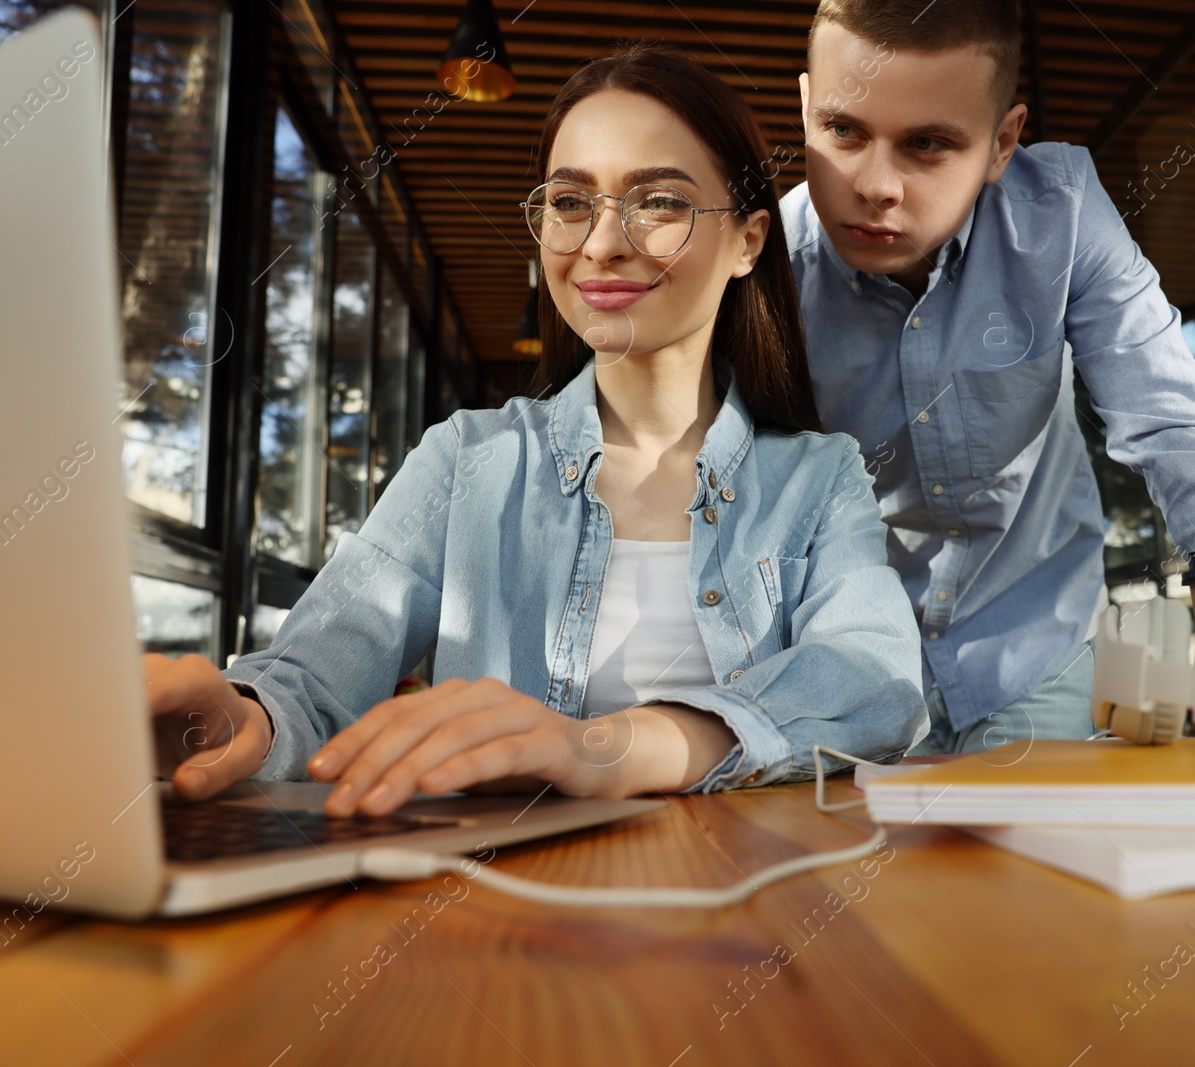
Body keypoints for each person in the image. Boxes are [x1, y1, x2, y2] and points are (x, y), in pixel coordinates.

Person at [142, 44, 928, 815]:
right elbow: (311, 684)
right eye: (570, 201)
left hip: (755, 925)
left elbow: (875, 682)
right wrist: (238, 717)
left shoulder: (819, 478)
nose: (602, 242)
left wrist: (610, 744)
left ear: (747, 241)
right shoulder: (467, 460)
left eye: (658, 201)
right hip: (503, 925)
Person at [782, 0, 1195, 755]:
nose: (875, 185)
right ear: (805, 106)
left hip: (1033, 653)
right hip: (849, 668)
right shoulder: (758, 266)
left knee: (1033, 870)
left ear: (1003, 142)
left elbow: (1173, 424)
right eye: (843, 132)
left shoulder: (1061, 210)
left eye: (928, 145)